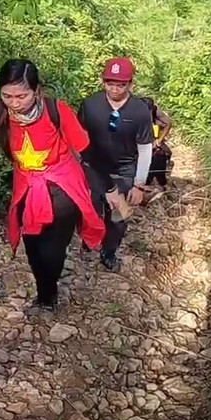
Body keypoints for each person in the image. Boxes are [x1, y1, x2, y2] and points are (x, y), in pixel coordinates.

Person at [0, 59, 120, 310]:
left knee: (53, 250)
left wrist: (109, 187)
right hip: (26, 185)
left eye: (22, 95)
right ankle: (45, 290)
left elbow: (88, 152)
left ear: (37, 90)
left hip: (62, 185)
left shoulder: (56, 110)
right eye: (8, 95)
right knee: (33, 247)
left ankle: (47, 296)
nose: (15, 103)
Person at [78, 57, 154, 273]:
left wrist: (139, 185)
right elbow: (78, 138)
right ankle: (89, 240)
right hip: (93, 166)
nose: (115, 89)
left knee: (119, 215)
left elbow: (145, 148)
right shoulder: (90, 105)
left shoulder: (139, 111)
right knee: (91, 208)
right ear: (103, 82)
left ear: (130, 84)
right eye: (110, 83)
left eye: (121, 85)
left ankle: (109, 251)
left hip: (124, 169)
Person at [137, 96, 174, 196]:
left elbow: (168, 123)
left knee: (162, 154)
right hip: (137, 140)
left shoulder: (155, 112)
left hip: (153, 138)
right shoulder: (132, 112)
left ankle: (161, 181)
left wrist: (159, 139)